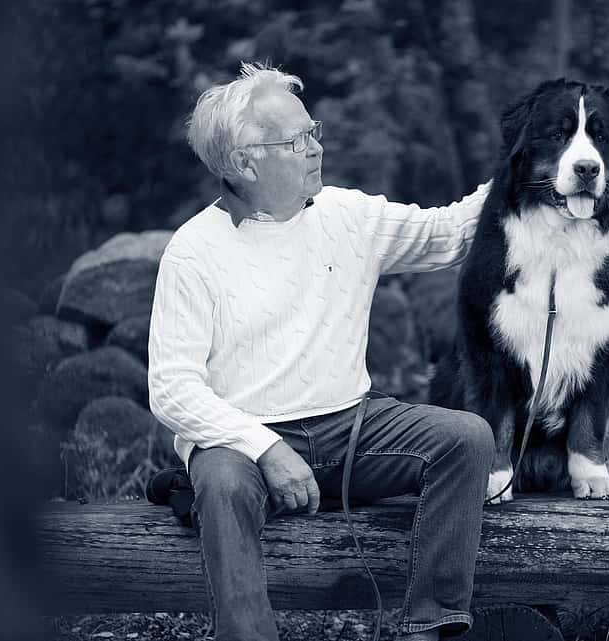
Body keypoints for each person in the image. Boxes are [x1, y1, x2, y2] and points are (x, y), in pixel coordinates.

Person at [147, 62, 495, 641]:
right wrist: (267, 448)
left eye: (315, 133)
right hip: (242, 441)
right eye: (296, 140)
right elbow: (172, 389)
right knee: (225, 485)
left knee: (467, 438)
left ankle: (429, 626)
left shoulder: (347, 215)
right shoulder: (192, 252)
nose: (314, 149)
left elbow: (449, 234)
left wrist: (522, 169)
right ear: (243, 162)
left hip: (352, 426)